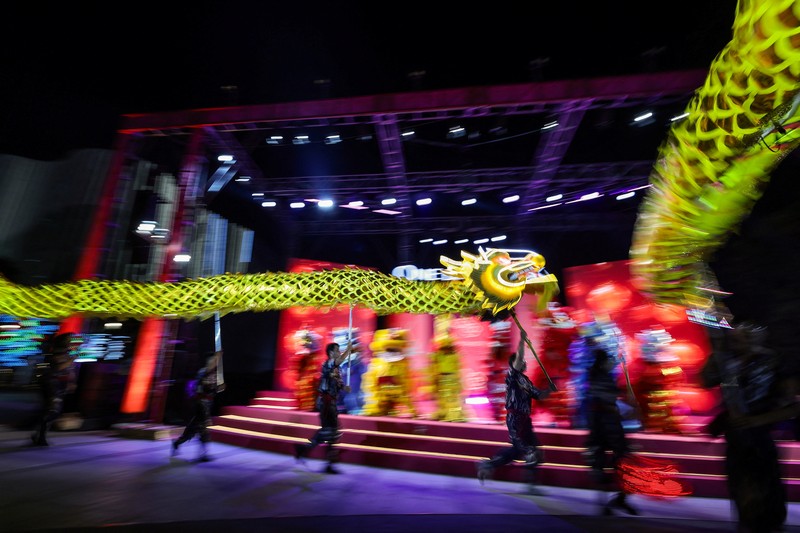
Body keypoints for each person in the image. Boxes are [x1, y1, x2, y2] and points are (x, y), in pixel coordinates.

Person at [700, 321, 800, 533]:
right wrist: (716, 354)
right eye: (734, 337)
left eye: (743, 336)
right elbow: (706, 381)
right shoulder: (726, 360)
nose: (736, 341)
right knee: (741, 486)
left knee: (764, 486)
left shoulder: (773, 361)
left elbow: (792, 406)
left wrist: (758, 420)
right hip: (735, 436)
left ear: (757, 338)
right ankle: (748, 521)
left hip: (760, 436)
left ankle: (768, 523)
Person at [476, 331, 550, 494]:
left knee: (527, 450)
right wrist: (522, 341)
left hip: (525, 419)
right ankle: (529, 484)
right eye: (521, 361)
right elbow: (517, 360)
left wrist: (550, 389)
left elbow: (538, 395)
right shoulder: (512, 376)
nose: (524, 362)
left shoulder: (525, 380)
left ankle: (490, 465)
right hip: (515, 418)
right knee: (528, 451)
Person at [583, 334, 638, 516]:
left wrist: (625, 397)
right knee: (601, 468)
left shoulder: (606, 376)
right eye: (609, 361)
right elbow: (604, 399)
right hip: (601, 427)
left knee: (623, 463)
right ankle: (606, 505)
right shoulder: (596, 377)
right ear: (602, 362)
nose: (612, 364)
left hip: (613, 427)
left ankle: (620, 499)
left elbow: (613, 397)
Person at [294, 340, 353, 473]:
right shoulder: (327, 364)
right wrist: (348, 350)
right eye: (337, 351)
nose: (339, 353)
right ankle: (307, 451)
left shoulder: (336, 368)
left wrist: (344, 387)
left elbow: (337, 382)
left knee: (332, 431)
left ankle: (308, 452)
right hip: (326, 402)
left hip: (331, 402)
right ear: (331, 353)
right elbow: (336, 363)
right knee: (330, 430)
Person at [172, 351, 225, 462]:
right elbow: (201, 389)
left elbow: (215, 389)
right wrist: (217, 356)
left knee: (193, 429)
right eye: (214, 360)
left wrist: (219, 387)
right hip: (201, 404)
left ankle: (177, 443)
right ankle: (202, 454)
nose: (216, 363)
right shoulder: (203, 371)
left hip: (207, 403)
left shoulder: (213, 374)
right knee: (203, 429)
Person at [31, 332, 77, 446]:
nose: (71, 342)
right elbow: (59, 367)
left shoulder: (65, 352)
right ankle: (40, 435)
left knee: (52, 410)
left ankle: (40, 435)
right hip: (51, 384)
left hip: (58, 384)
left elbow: (68, 369)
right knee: (53, 410)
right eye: (69, 339)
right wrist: (71, 360)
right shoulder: (57, 352)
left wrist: (71, 381)